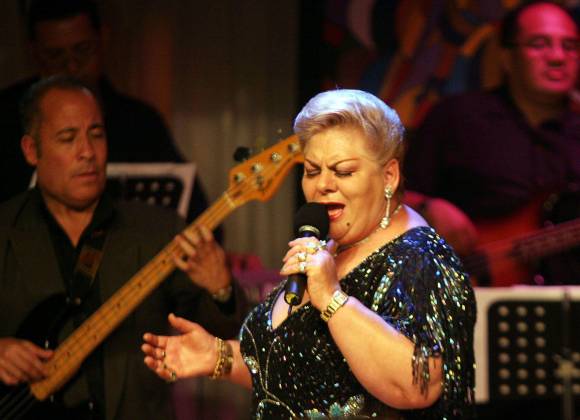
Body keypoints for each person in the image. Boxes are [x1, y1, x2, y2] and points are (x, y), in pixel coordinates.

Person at [142, 89, 476, 419]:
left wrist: (332, 299)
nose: (323, 185)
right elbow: (300, 374)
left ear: (389, 176)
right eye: (312, 171)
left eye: (343, 171)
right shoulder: (332, 244)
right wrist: (220, 357)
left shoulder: (421, 259)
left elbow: (420, 385)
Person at [0, 76, 247, 420]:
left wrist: (220, 290)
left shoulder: (159, 230)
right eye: (68, 138)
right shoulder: (5, 228)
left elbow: (220, 339)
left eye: (96, 134)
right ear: (31, 150)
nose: (87, 152)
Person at [404, 1, 580, 286]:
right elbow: (390, 197)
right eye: (539, 44)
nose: (558, 57)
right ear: (507, 57)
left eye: (570, 46)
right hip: (464, 292)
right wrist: (428, 207)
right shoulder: (457, 118)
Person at [0, 0, 209, 226]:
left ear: (103, 39)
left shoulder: (140, 122)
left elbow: (196, 215)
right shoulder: (5, 116)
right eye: (55, 55)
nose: (71, 66)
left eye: (82, 50)